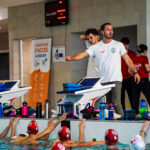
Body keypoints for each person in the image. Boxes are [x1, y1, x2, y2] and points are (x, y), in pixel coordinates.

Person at [66, 23, 140, 115]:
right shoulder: (95, 47)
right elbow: (83, 54)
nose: (110, 31)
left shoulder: (118, 45)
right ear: (102, 32)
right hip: (103, 81)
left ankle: (122, 123)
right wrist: (71, 58)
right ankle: (110, 124)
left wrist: (135, 72)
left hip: (116, 79)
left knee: (116, 103)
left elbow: (128, 60)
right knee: (106, 105)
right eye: (108, 30)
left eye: (111, 30)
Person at [130, 44, 150, 113]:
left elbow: (129, 71)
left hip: (135, 80)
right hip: (144, 80)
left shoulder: (133, 59)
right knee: (148, 96)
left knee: (135, 99)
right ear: (145, 51)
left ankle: (136, 114)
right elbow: (147, 69)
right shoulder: (144, 58)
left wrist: (135, 75)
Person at [120, 37, 136, 110]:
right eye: (123, 44)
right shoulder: (117, 54)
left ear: (128, 45)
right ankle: (122, 113)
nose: (125, 46)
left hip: (130, 78)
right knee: (121, 98)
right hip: (120, 78)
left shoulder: (132, 54)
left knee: (132, 96)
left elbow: (135, 66)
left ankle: (134, 112)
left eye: (126, 44)